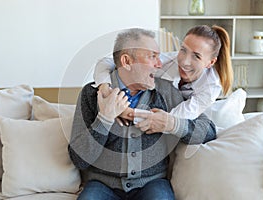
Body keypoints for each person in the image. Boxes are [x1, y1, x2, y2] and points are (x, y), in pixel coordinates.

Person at [68, 28, 216, 200]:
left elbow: (208, 131)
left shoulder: (166, 92)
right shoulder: (91, 94)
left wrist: (171, 123)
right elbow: (78, 159)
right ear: (127, 61)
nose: (160, 64)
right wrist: (105, 119)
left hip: (152, 184)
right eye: (152, 56)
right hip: (102, 185)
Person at [93, 25, 233, 126]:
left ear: (210, 63)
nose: (184, 61)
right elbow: (106, 62)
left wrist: (125, 112)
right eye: (183, 50)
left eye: (196, 56)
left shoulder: (211, 87)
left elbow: (167, 120)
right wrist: (105, 89)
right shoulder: (166, 62)